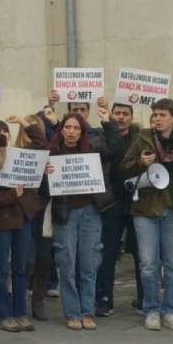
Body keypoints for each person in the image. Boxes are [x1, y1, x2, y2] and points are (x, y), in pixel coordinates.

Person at [120, 98, 173, 332]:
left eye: (162, 115)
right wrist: (139, 163)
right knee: (148, 264)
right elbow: (123, 169)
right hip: (145, 210)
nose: (156, 118)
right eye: (154, 114)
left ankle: (171, 310)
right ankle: (151, 309)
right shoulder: (143, 139)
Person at [47, 104, 124, 331]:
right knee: (67, 263)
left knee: (89, 264)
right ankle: (72, 312)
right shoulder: (52, 154)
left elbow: (116, 148)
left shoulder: (93, 150)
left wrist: (108, 122)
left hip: (91, 212)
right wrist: (45, 176)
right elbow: (42, 190)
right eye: (67, 127)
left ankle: (87, 312)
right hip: (65, 214)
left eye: (76, 128)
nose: (71, 131)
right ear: (61, 130)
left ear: (82, 132)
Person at [0, 116, 45, 332]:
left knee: (21, 268)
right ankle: (3, 314)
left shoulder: (19, 155)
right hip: (2, 220)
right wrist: (13, 195)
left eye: (5, 133)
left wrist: (25, 123)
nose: (3, 136)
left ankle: (21, 312)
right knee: (2, 268)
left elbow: (41, 145)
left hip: (23, 218)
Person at [96, 101, 143, 317]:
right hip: (111, 202)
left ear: (131, 117)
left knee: (142, 254)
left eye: (125, 114)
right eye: (117, 113)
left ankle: (145, 299)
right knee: (108, 254)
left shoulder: (142, 139)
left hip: (137, 202)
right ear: (111, 115)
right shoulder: (102, 137)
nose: (121, 117)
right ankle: (104, 299)